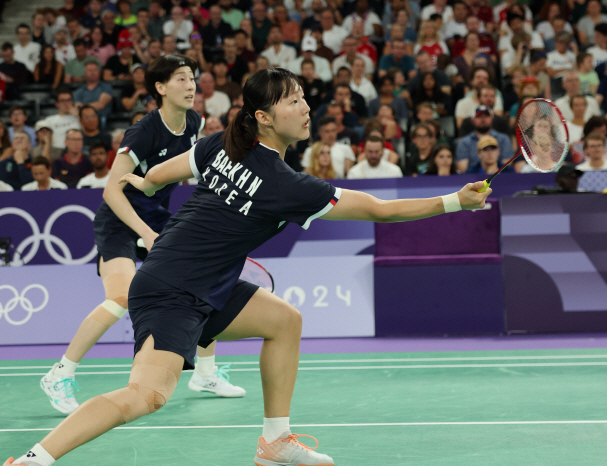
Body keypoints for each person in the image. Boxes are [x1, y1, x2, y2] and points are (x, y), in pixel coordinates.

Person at [5, 65, 490, 466]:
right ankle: (35, 459)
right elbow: (380, 210)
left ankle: (274, 441)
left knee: (284, 320)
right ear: (262, 116)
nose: (305, 108)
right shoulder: (288, 184)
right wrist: (455, 201)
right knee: (146, 396)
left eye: (303, 98)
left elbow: (157, 174)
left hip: (205, 283)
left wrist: (145, 185)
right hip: (171, 287)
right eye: (292, 101)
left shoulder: (219, 145)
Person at [35, 55, 243, 419]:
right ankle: (59, 373)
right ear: (160, 88)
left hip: (156, 216)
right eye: (181, 79)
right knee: (120, 296)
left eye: (192, 78)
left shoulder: (192, 122)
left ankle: (205, 375)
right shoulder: (143, 131)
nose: (191, 85)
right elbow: (111, 192)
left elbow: (185, 170)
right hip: (119, 221)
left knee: (202, 282)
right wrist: (145, 232)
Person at [455, 105, 513, 173]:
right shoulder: (464, 142)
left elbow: (507, 163)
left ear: (492, 119)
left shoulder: (504, 139)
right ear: (472, 120)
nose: (483, 119)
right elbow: (463, 169)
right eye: (479, 116)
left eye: (486, 116)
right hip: (473, 177)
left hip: (501, 176)